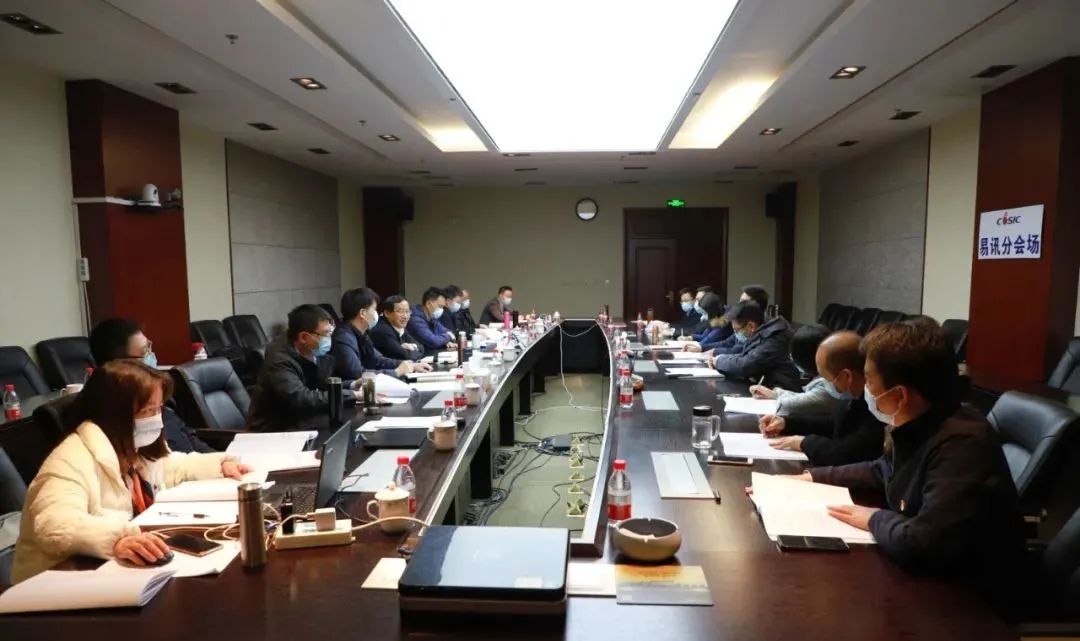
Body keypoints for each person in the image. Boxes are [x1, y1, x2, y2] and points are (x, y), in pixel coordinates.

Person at [788, 321, 1025, 610]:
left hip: (970, 604)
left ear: (899, 395)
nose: (866, 390)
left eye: (869, 381)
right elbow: (882, 470)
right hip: (929, 583)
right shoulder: (922, 421)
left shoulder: (962, 443)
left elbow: (923, 543)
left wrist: (873, 518)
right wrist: (814, 477)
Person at [11, 360, 250, 583]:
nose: (157, 420)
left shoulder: (134, 448)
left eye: (159, 409)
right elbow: (54, 524)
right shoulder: (71, 459)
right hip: (55, 585)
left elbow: (170, 467)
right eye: (148, 411)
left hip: (115, 576)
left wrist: (219, 465)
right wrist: (118, 538)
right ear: (115, 414)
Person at [89, 318, 214, 453]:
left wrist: (220, 459)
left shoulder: (155, 396)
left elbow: (189, 437)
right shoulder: (117, 414)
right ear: (121, 365)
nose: (152, 355)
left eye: (150, 347)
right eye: (145, 352)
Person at [759, 330, 885, 465]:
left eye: (825, 377)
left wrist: (804, 442)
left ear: (846, 376)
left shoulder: (879, 406)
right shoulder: (855, 396)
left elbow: (846, 452)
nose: (824, 382)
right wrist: (787, 423)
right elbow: (834, 423)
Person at [246, 304, 358, 432]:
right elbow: (301, 398)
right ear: (304, 337)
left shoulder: (312, 349)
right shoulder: (279, 360)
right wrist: (353, 395)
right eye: (326, 334)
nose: (329, 339)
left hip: (304, 421)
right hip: (274, 431)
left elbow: (323, 386)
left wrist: (354, 385)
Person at [331, 288, 428, 380]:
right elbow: (357, 373)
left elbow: (378, 360)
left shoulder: (362, 334)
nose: (376, 314)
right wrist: (396, 372)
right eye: (374, 309)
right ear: (362, 313)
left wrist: (408, 365)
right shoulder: (343, 338)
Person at [749, 324, 842, 418]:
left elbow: (790, 404)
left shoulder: (828, 385)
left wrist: (776, 397)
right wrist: (775, 394)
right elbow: (804, 397)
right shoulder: (827, 378)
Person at [708, 300, 800, 390]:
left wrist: (719, 361)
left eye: (737, 330)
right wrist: (720, 358)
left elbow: (745, 365)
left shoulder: (774, 337)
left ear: (751, 326)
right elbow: (746, 356)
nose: (736, 334)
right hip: (768, 388)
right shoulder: (763, 331)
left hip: (782, 392)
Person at [371, 295, 425, 361]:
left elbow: (421, 348)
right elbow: (405, 356)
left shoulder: (399, 327)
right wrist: (410, 350)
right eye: (400, 312)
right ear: (387, 313)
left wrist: (413, 347)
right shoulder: (383, 331)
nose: (405, 316)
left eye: (407, 311)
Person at [407, 287, 458, 355]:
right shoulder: (415, 319)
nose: (442, 310)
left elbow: (448, 331)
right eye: (440, 306)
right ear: (428, 304)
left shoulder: (431, 318)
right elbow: (434, 341)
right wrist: (447, 337)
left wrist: (444, 341)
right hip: (420, 357)